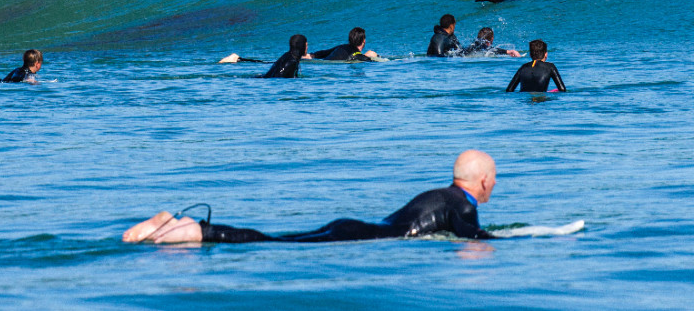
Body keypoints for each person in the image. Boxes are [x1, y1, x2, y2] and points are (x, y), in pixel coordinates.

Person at [122, 150, 496, 244]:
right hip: (357, 237)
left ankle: (186, 225)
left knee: (278, 240)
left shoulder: (436, 194)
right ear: (481, 181)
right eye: (493, 180)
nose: (492, 186)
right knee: (272, 244)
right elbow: (471, 237)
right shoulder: (462, 203)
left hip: (351, 228)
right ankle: (194, 232)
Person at [310, 27, 377, 61]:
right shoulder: (357, 55)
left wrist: (311, 55)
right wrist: (367, 56)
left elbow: (323, 53)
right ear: (364, 41)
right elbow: (357, 57)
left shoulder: (341, 47)